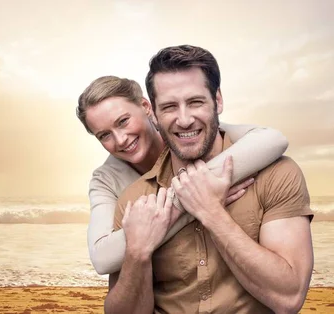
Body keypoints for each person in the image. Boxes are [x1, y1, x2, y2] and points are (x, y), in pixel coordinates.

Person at [106, 45, 314, 313]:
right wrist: (137, 253)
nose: (184, 119)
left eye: (195, 102)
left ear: (217, 101)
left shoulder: (277, 175)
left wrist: (211, 213)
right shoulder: (135, 200)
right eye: (169, 107)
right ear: (154, 114)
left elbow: (289, 297)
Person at [78, 76, 289, 276]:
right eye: (104, 135)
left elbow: (273, 140)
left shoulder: (185, 133)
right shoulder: (106, 180)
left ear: (145, 106)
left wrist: (151, 225)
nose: (121, 139)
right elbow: (102, 258)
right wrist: (189, 204)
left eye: (123, 121)